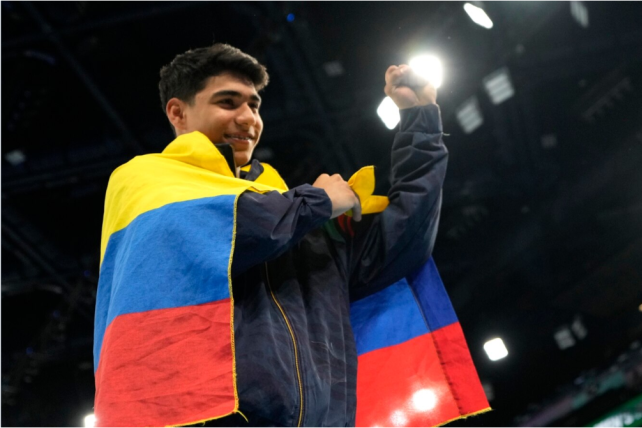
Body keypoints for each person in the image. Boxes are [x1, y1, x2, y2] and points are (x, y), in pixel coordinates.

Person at [94, 43, 447, 427]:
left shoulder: (287, 209)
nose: (248, 118)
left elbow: (400, 243)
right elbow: (232, 233)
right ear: (178, 112)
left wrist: (420, 121)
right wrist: (318, 202)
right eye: (227, 102)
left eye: (255, 105)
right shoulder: (143, 179)